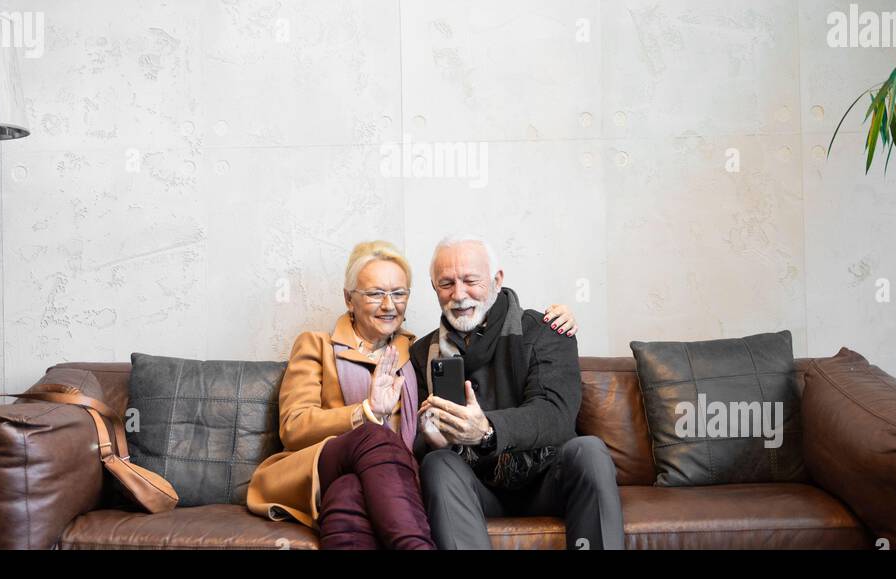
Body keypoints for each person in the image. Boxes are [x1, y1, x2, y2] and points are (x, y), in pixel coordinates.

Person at [245, 240, 578, 549]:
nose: (388, 305)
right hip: (321, 466)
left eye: (398, 293)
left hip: (386, 481)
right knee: (373, 437)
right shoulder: (316, 344)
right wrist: (366, 411)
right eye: (375, 293)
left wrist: (554, 319)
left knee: (348, 494)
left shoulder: (418, 351)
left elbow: (426, 434)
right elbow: (293, 426)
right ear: (350, 298)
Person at [413, 234, 624, 550]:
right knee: (438, 463)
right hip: (477, 489)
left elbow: (555, 415)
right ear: (434, 288)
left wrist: (486, 431)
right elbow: (414, 443)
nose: (458, 294)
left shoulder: (546, 330)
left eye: (471, 280)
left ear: (497, 280)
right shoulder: (421, 353)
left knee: (589, 450)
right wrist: (432, 441)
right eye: (446, 284)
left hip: (547, 483)